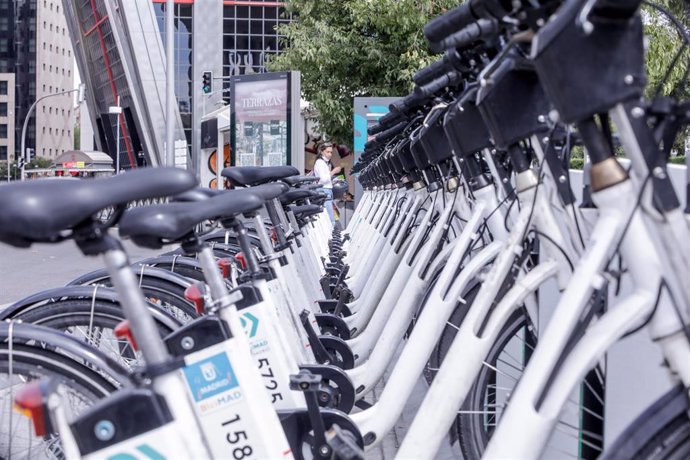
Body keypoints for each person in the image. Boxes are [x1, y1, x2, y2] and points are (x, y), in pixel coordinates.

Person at [313, 142, 342, 224]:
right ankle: (332, 234)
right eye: (327, 152)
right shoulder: (320, 163)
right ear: (322, 152)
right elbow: (323, 179)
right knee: (330, 218)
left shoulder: (325, 163)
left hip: (327, 190)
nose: (330, 154)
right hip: (324, 191)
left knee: (330, 216)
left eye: (331, 152)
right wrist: (334, 171)